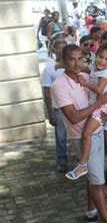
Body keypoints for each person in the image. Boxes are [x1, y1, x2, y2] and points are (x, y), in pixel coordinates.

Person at [51, 44, 107, 223]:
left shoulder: (86, 76)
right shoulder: (59, 85)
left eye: (80, 58)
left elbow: (101, 98)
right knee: (98, 182)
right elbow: (73, 117)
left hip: (97, 129)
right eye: (71, 59)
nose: (77, 63)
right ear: (63, 61)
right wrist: (100, 103)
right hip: (81, 136)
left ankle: (91, 212)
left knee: (93, 176)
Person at [66, 44, 107, 180]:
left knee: (86, 134)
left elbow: (99, 90)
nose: (102, 61)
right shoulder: (94, 67)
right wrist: (64, 66)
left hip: (103, 108)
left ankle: (82, 165)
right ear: (96, 55)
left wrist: (84, 82)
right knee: (88, 135)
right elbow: (84, 68)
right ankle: (85, 164)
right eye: (100, 57)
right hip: (96, 106)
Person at [40, 39, 67, 173]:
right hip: (59, 108)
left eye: (64, 47)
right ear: (53, 50)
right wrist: (50, 113)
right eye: (59, 48)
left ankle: (82, 160)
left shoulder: (72, 64)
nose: (61, 50)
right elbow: (46, 92)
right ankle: (62, 161)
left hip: (76, 107)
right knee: (61, 137)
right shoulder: (49, 69)